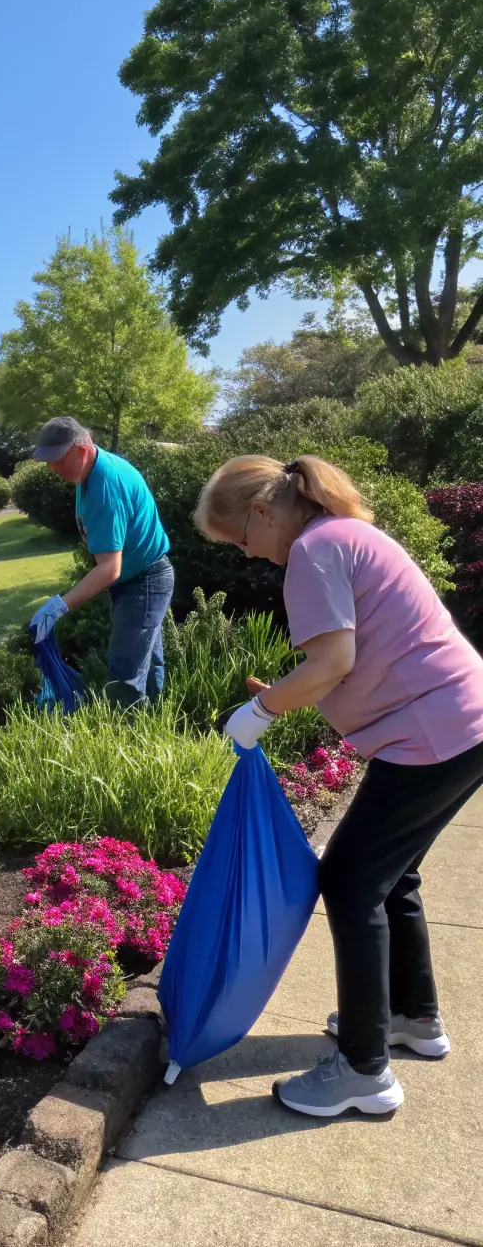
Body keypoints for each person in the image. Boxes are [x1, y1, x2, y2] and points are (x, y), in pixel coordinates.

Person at [196, 453, 483, 1118]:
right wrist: (281, 697)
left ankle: (364, 1069)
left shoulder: (314, 550)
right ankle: (414, 1015)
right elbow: (355, 660)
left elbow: (332, 661)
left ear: (262, 512)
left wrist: (258, 714)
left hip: (435, 734)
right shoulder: (344, 535)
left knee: (350, 883)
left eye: (242, 540)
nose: (251, 557)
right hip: (458, 723)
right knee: (392, 876)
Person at [28, 416, 173, 705]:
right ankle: (158, 726)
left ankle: (128, 740)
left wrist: (58, 607)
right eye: (47, 460)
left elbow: (110, 568)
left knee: (125, 675)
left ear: (82, 449)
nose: (52, 468)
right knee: (146, 662)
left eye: (57, 459)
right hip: (141, 579)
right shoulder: (90, 472)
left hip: (143, 581)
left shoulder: (105, 486)